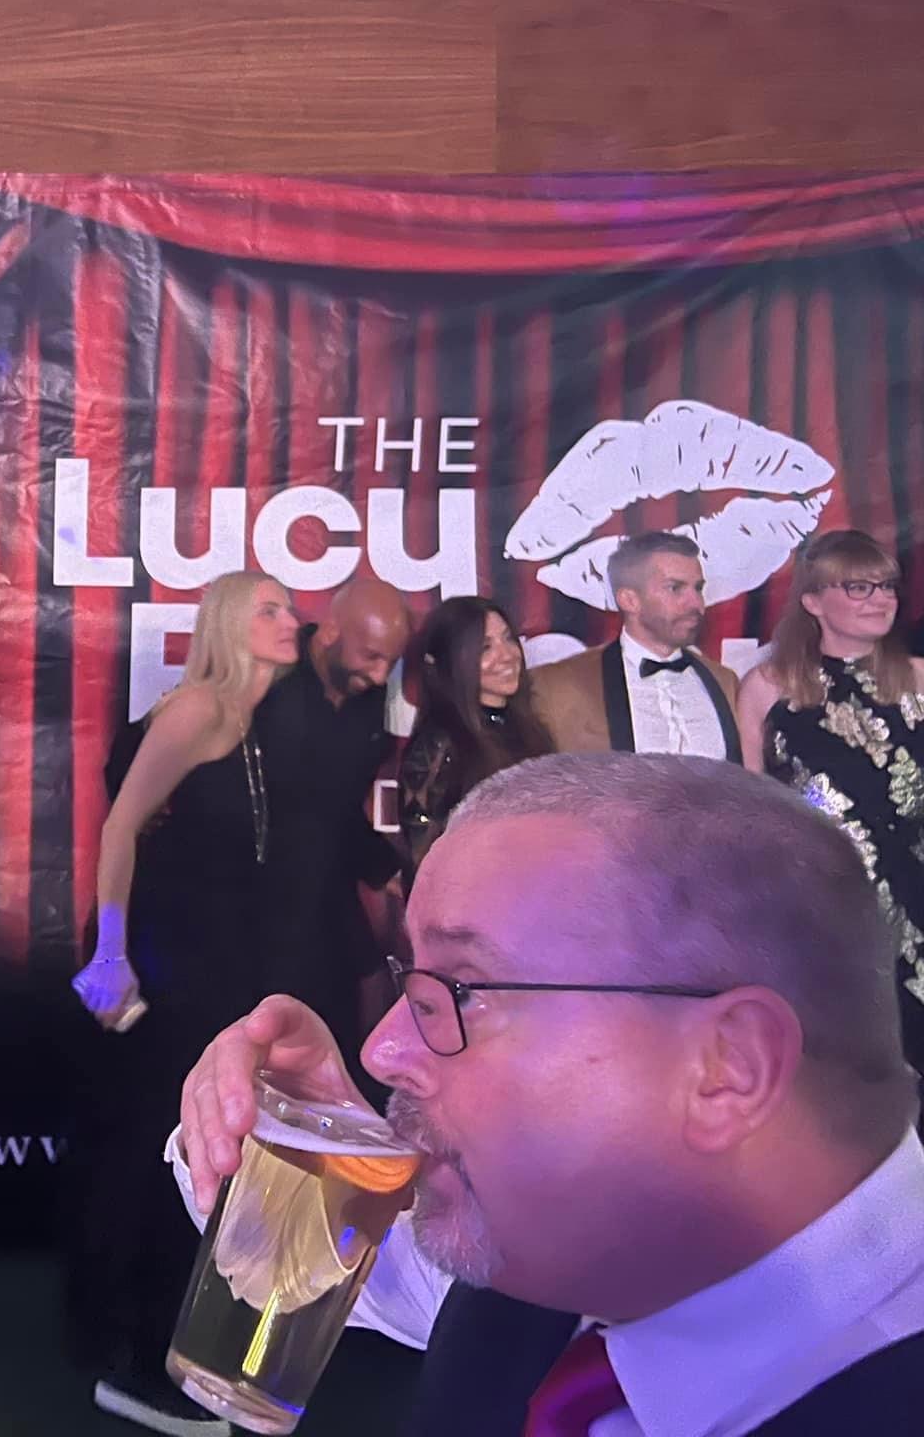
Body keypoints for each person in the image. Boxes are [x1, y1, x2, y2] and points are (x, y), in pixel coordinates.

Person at [176, 753, 924, 1436]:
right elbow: (360, 1269)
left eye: (460, 991)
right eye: (415, 982)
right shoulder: (576, 1252)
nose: (381, 1049)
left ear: (729, 1067)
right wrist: (309, 1130)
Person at [66, 570, 300, 1434]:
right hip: (163, 969)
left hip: (215, 970)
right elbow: (119, 827)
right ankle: (133, 1365)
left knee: (196, 1156)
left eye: (290, 607)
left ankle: (164, 1349)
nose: (291, 620)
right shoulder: (198, 709)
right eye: (269, 609)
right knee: (155, 1155)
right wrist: (112, 953)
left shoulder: (250, 722)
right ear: (229, 624)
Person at [736, 529, 924, 1129]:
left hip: (918, 906)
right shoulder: (768, 688)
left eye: (886, 586)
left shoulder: (919, 679)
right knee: (848, 1088)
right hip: (825, 914)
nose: (880, 599)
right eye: (859, 587)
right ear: (813, 600)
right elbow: (753, 808)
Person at [250, 576, 412, 1069]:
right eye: (372, 657)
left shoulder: (368, 697)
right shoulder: (267, 668)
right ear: (330, 632)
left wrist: (387, 870)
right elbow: (161, 736)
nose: (381, 676)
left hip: (322, 890)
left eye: (391, 661)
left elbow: (334, 806)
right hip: (246, 902)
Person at [531, 532, 741, 759]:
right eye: (675, 588)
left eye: (698, 588)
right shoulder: (560, 687)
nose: (696, 603)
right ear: (629, 600)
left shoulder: (725, 681)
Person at [396, 596, 553, 886]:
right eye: (485, 648)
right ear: (451, 662)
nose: (507, 655)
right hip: (474, 906)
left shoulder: (528, 729)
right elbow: (422, 861)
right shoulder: (437, 745)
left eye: (508, 638)